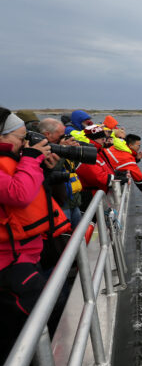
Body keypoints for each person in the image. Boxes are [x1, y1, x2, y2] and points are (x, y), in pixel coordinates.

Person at [0, 108, 71, 342]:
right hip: (8, 261)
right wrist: (31, 158)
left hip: (24, 252)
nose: (26, 143)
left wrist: (44, 168)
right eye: (21, 138)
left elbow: (26, 190)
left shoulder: (11, 160)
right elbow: (18, 194)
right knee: (47, 307)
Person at [38, 118, 84, 227]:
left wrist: (73, 152)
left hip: (73, 202)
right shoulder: (41, 150)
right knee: (65, 239)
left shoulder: (59, 146)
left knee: (79, 236)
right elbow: (51, 170)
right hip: (59, 205)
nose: (63, 138)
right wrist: (63, 150)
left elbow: (72, 167)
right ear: (47, 134)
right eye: (61, 135)